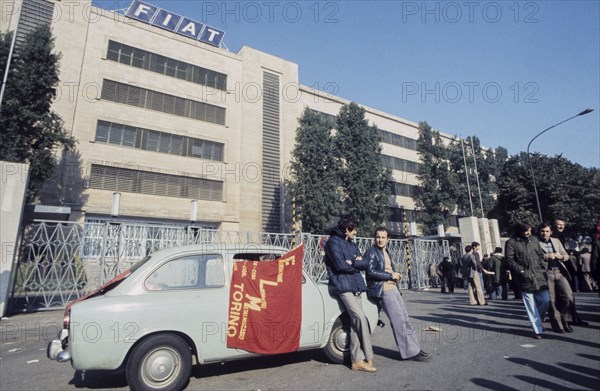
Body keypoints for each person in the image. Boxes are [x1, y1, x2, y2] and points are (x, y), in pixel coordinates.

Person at [364, 227, 431, 362]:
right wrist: (390, 275)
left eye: (383, 237)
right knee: (398, 322)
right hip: (384, 290)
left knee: (405, 320)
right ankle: (410, 353)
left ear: (388, 239)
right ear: (374, 238)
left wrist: (394, 276)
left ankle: (415, 349)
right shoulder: (371, 252)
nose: (380, 240)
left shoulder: (385, 251)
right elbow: (370, 272)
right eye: (378, 237)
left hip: (393, 288)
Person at [323, 218, 376, 372]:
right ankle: (369, 356)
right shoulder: (333, 242)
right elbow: (339, 265)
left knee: (354, 323)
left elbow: (365, 263)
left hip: (355, 285)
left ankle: (356, 361)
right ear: (346, 229)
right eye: (354, 230)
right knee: (360, 318)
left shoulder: (352, 244)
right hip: (343, 286)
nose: (356, 232)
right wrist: (355, 262)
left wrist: (351, 262)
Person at [538, 223, 587, 332]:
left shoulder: (556, 241)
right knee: (552, 300)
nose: (544, 233)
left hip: (559, 272)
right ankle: (558, 325)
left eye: (547, 231)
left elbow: (566, 255)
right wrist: (546, 256)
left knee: (568, 297)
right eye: (542, 231)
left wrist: (561, 256)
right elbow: (534, 258)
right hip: (546, 273)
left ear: (551, 232)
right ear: (539, 232)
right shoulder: (536, 243)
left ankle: (565, 320)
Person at [505, 222, 550, 339]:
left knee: (545, 300)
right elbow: (509, 260)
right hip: (524, 277)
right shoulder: (511, 242)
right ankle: (537, 330)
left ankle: (539, 321)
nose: (528, 233)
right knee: (530, 306)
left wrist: (543, 266)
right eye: (526, 231)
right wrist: (521, 271)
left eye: (529, 230)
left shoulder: (534, 240)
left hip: (539, 276)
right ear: (518, 231)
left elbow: (541, 255)